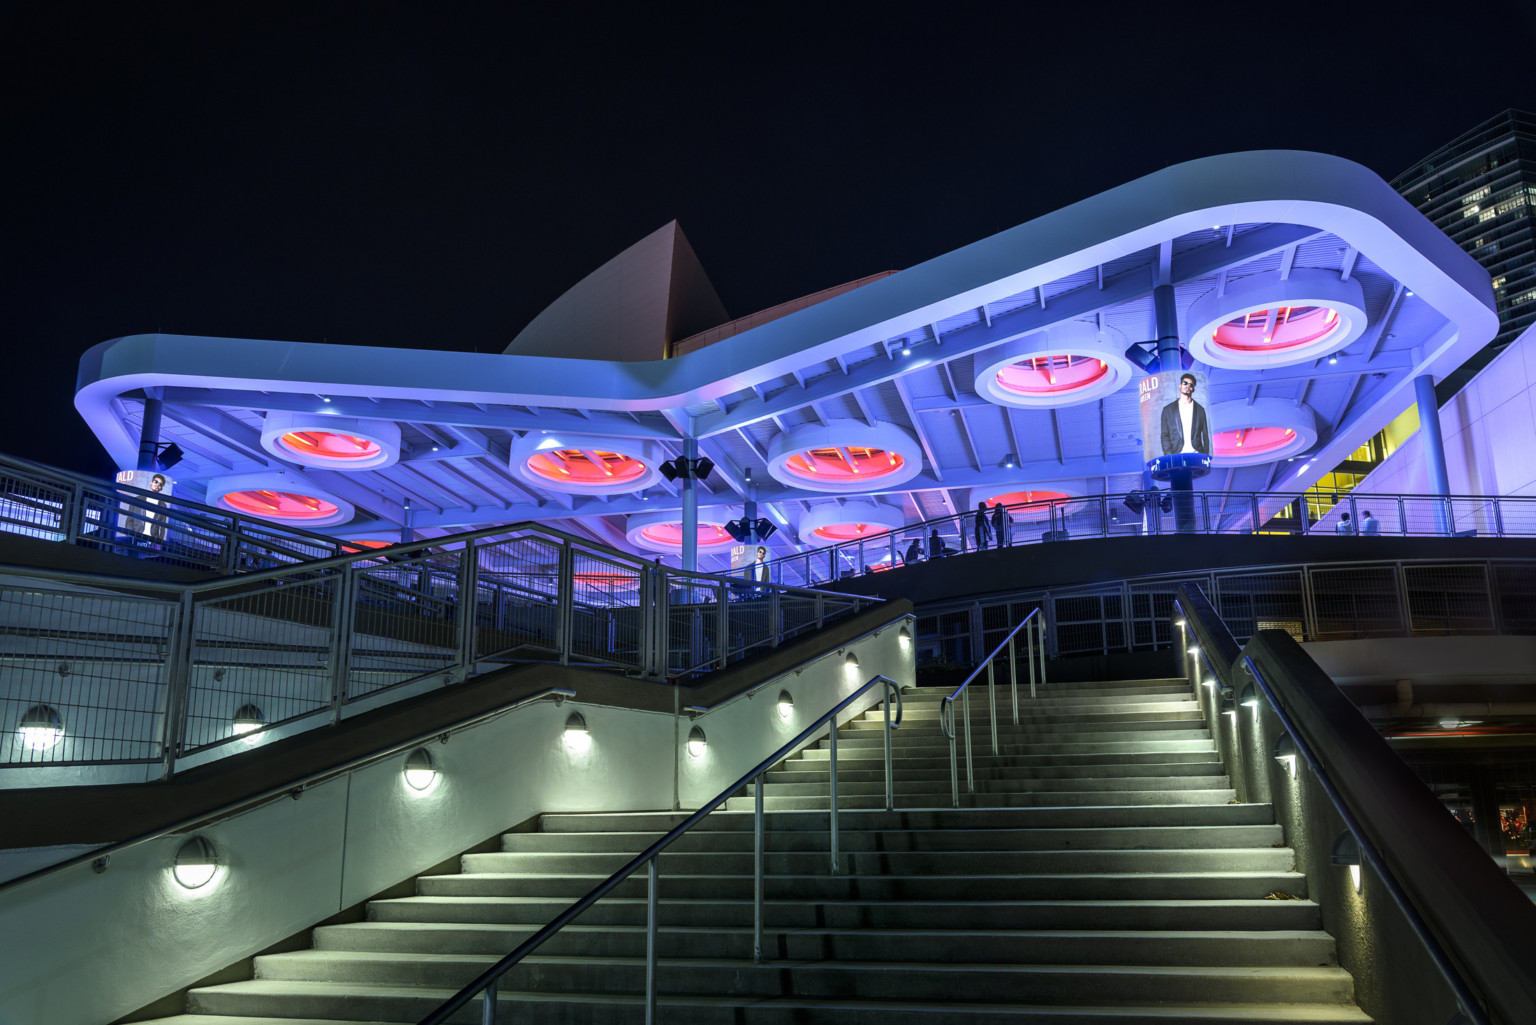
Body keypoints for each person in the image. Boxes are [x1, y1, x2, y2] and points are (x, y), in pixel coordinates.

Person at [1159, 373, 1211, 456]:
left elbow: (1205, 435)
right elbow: (1164, 435)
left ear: (1193, 389)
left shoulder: (1200, 410)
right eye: (1185, 383)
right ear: (1180, 385)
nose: (1187, 386)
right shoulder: (1168, 410)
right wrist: (1169, 456)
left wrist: (1206, 455)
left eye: (1190, 385)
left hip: (1197, 453)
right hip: (1177, 454)